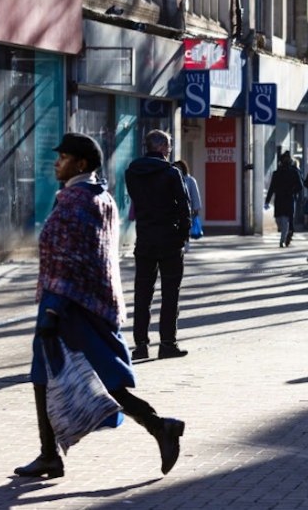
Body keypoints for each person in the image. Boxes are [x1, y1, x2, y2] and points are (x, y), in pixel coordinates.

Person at [15, 132, 184, 479]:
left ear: (81, 163)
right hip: (87, 299)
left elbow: (70, 257)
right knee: (86, 375)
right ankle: (54, 453)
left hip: (67, 302)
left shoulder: (77, 201)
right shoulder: (97, 195)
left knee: (55, 375)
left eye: (63, 157)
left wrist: (52, 309)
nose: (56, 163)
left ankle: (156, 428)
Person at [124, 130, 191, 360]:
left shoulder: (132, 172)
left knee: (142, 293)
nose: (170, 150)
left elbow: (138, 201)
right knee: (170, 293)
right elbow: (184, 207)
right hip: (170, 240)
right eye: (169, 146)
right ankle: (167, 343)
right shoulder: (172, 173)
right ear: (161, 147)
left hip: (144, 239)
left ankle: (141, 344)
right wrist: (183, 235)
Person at [266, 151, 304, 247]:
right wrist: (267, 201)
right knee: (279, 219)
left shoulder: (294, 172)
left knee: (286, 219)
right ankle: (287, 232)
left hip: (288, 198)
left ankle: (283, 238)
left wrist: (292, 191)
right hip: (280, 199)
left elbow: (300, 186)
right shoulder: (277, 173)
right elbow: (272, 187)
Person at [172, 160, 201, 253]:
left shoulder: (190, 180)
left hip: (187, 209)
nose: (178, 169)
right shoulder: (171, 178)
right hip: (175, 209)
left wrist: (196, 208)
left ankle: (186, 243)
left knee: (186, 226)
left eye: (179, 167)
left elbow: (195, 194)